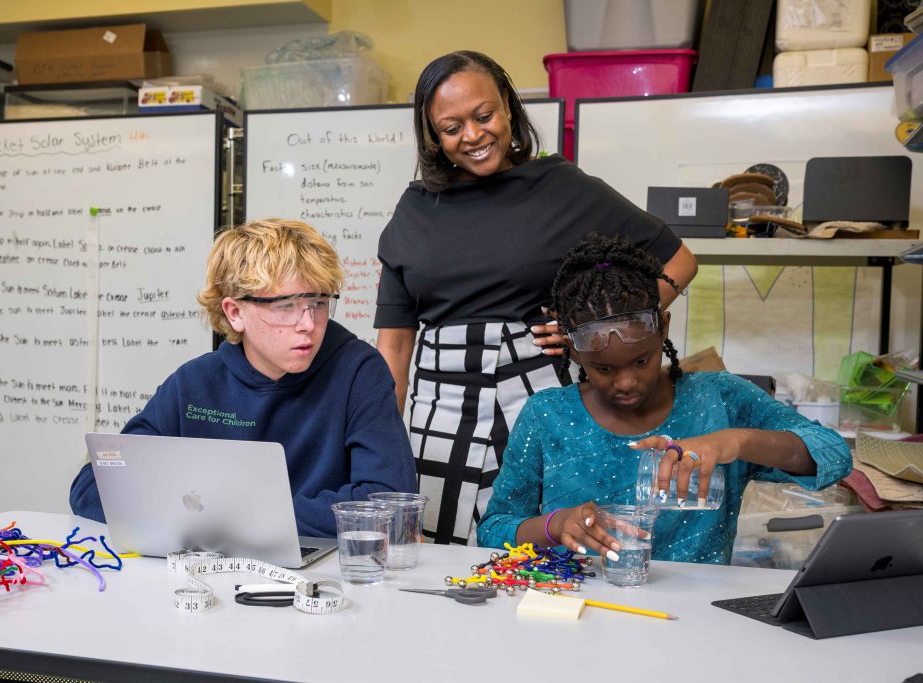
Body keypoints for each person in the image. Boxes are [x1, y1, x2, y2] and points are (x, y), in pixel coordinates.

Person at [374, 50, 698, 545]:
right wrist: (384, 449)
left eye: (484, 116)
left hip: (538, 400)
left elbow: (679, 261)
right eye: (452, 126)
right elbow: (395, 346)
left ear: (507, 106)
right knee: (440, 559)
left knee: (547, 549)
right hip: (438, 412)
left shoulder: (561, 186)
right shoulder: (414, 209)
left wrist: (605, 329)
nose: (474, 136)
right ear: (433, 136)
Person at [477, 234, 852, 563]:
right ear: (574, 352)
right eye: (603, 368)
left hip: (696, 618)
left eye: (642, 360)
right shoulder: (547, 416)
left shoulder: (718, 399)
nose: (626, 382)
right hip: (580, 612)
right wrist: (555, 525)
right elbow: (493, 530)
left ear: (664, 329)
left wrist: (736, 440)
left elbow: (833, 455)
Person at [70, 219, 417, 537]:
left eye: (319, 303)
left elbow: (388, 506)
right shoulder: (194, 384)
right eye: (286, 306)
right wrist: (212, 517)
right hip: (207, 575)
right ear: (235, 313)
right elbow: (92, 486)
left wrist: (233, 515)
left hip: (328, 581)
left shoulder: (359, 372)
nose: (308, 324)